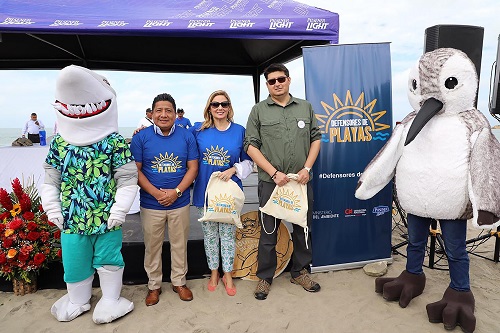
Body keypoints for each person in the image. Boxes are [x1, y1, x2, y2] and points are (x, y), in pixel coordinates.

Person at [244, 63, 321, 300]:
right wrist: (274, 172)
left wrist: (307, 168)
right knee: (269, 232)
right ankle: (265, 278)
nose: (277, 84)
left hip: (300, 182)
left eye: (281, 79)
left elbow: (316, 138)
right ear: (267, 85)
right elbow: (250, 146)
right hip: (271, 182)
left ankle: (300, 272)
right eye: (272, 81)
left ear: (289, 80)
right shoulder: (258, 111)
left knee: (302, 230)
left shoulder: (305, 108)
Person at [130, 93, 199, 306]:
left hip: (180, 202)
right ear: (151, 114)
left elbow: (193, 168)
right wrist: (157, 193)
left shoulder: (187, 136)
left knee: (180, 244)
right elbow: (137, 171)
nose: (163, 114)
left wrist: (176, 192)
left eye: (168, 110)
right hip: (152, 204)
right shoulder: (141, 137)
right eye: (159, 110)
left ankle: (179, 282)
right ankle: (154, 286)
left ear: (175, 113)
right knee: (153, 247)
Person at [190, 90, 253, 296]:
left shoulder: (239, 131)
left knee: (227, 236)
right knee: (209, 236)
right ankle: (214, 272)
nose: (220, 107)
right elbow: (177, 139)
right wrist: (144, 129)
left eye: (224, 104)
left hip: (228, 194)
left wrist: (233, 169)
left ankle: (227, 274)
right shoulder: (198, 130)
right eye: (215, 104)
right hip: (204, 193)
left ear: (229, 107)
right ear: (209, 107)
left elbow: (248, 161)